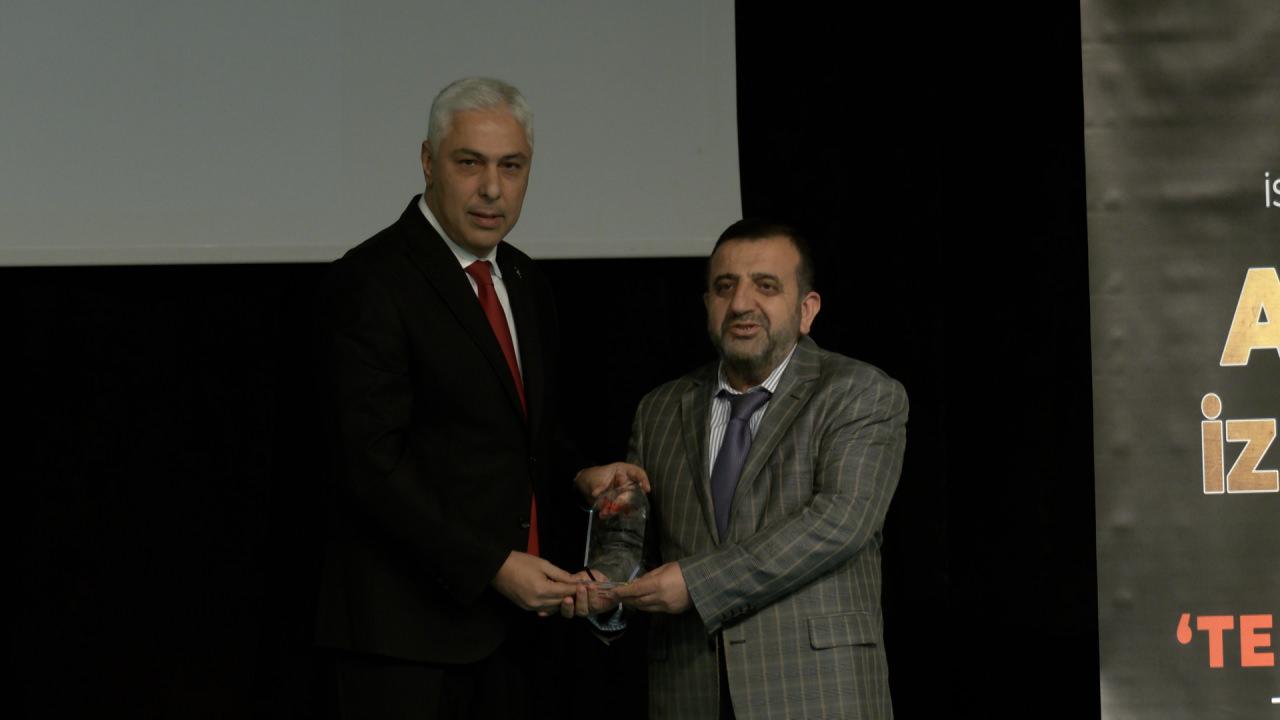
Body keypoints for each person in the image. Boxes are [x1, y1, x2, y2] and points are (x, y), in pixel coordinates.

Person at [314, 76, 644, 719]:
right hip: (405, 643)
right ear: (428, 161)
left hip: (516, 640)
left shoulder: (524, 277)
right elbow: (369, 465)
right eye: (470, 163)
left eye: (511, 166)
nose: (493, 188)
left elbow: (523, 435)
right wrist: (492, 564)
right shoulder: (369, 280)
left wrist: (580, 475)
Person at [594, 220, 908, 719]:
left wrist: (697, 583)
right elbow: (631, 543)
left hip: (819, 694)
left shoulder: (859, 393)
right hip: (689, 695)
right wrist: (602, 585)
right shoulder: (659, 410)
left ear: (807, 309)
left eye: (766, 286)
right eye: (725, 287)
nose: (741, 303)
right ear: (707, 305)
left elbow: (839, 522)